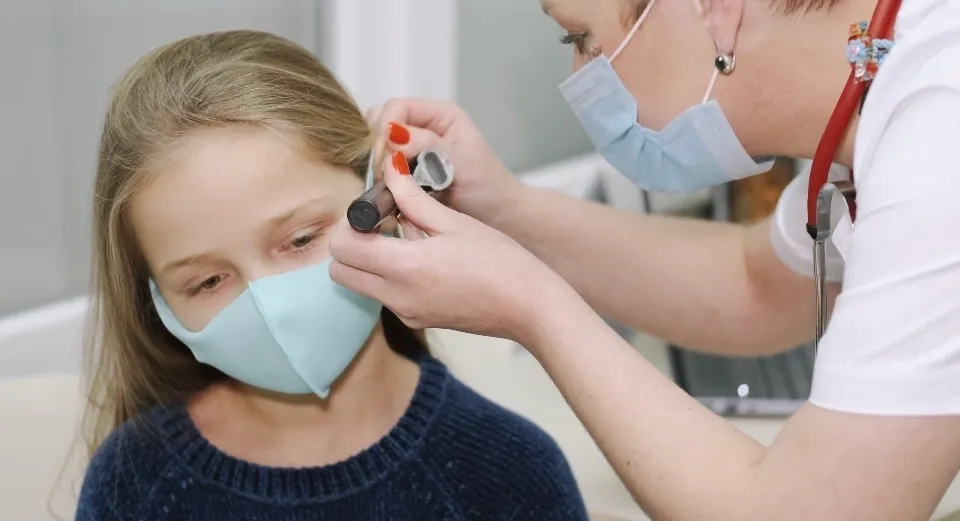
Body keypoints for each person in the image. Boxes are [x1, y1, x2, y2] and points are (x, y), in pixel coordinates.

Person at [327, 0, 960, 518]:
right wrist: (504, 206)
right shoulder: (885, 88)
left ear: (716, 10)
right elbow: (754, 285)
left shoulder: (940, 141)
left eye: (580, 38)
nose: (580, 75)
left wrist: (533, 307)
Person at [74, 30, 589, 521]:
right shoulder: (133, 484)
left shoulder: (507, 472)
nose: (269, 305)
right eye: (208, 282)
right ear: (158, 301)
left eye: (300, 240)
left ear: (383, 192)